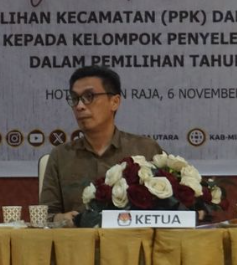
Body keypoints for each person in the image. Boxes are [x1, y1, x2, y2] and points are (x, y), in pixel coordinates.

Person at [40, 66, 162, 226]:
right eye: (75, 98)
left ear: (114, 102)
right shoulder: (61, 156)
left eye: (89, 96)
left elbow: (168, 209)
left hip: (131, 239)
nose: (79, 106)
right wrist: (60, 219)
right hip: (79, 239)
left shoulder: (146, 149)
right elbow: (45, 215)